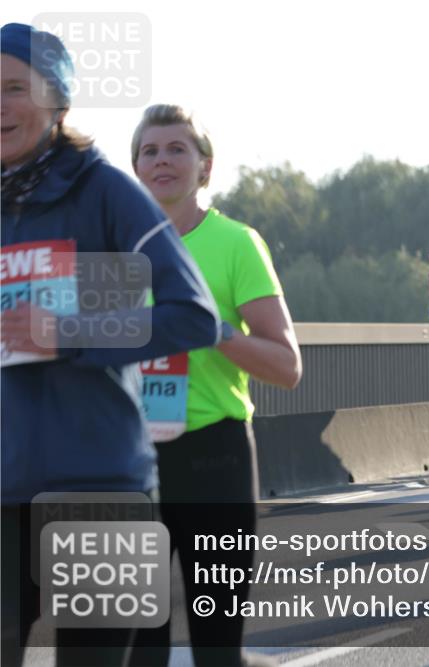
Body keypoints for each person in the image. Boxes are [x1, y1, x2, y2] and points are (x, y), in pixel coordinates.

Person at [1, 24, 219, 667]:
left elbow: (193, 317)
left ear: (58, 100)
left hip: (99, 492)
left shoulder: (105, 192)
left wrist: (66, 333)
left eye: (14, 88)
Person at [129, 104, 302, 667]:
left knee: (217, 646)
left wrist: (215, 331)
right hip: (125, 462)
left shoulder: (235, 243)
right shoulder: (109, 247)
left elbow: (287, 366)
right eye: (150, 151)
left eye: (177, 149)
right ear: (135, 168)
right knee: (132, 648)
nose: (162, 160)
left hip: (212, 458)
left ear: (205, 167)